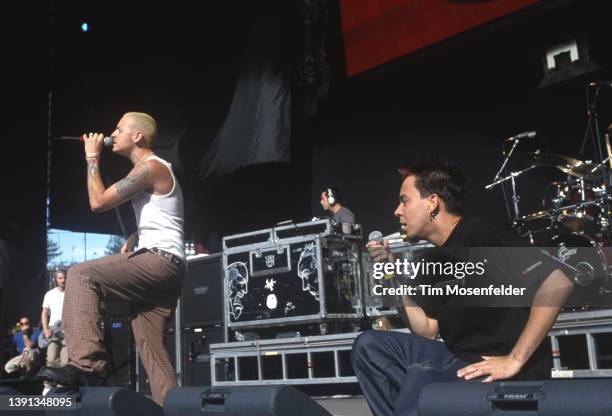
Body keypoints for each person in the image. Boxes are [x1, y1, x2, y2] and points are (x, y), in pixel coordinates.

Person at [352, 159, 574, 416]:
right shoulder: (431, 261)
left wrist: (515, 359)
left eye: (405, 200)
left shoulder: (479, 233)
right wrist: (389, 275)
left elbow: (557, 283)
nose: (397, 211)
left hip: (501, 372)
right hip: (459, 366)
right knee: (369, 346)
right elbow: (426, 330)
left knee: (423, 375)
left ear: (432, 202)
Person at [38, 112, 185, 407]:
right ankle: (173, 408)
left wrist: (92, 158)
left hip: (160, 263)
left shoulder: (151, 167)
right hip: (166, 265)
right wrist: (136, 237)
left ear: (138, 136)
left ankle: (88, 367)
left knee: (81, 274)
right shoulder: (153, 172)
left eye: (119, 129)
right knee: (152, 349)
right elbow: (166, 219)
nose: (112, 134)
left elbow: (98, 202)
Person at [40, 269, 68, 394]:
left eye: (64, 277)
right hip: (53, 330)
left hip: (68, 330)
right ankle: (49, 385)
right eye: (60, 278)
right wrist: (46, 329)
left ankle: (62, 385)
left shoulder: (71, 294)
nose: (63, 280)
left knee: (65, 361)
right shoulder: (50, 294)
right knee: (51, 358)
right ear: (56, 279)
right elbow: (44, 312)